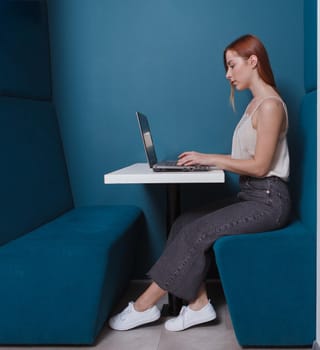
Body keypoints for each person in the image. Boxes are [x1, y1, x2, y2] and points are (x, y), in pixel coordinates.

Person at [109, 34, 291, 332]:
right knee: (184, 221)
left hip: (269, 201)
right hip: (251, 195)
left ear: (253, 61)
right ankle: (198, 305)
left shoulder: (270, 105)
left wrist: (212, 158)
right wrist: (207, 160)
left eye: (232, 66)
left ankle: (143, 305)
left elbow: (260, 166)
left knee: (197, 231)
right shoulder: (254, 105)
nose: (227, 74)